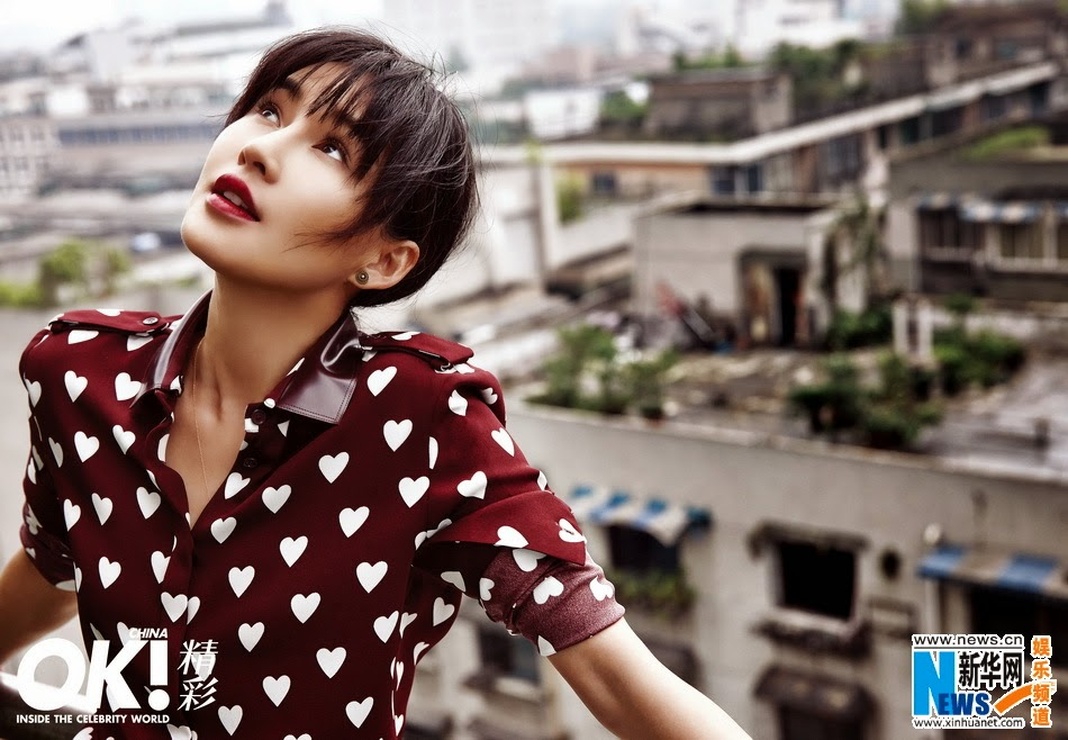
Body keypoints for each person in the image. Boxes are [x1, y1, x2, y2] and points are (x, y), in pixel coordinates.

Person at [0, 28, 751, 739]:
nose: (260, 148)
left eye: (332, 148)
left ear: (384, 260)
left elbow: (611, 672)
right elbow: (50, 568)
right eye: (270, 109)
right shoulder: (77, 372)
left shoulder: (421, 419)